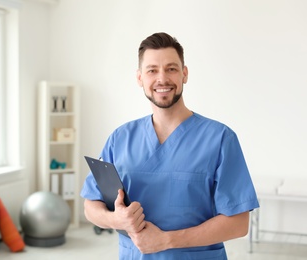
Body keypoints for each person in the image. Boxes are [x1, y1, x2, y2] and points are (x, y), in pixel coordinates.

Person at [80, 32, 259, 259]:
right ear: (139, 78)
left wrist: (166, 240)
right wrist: (116, 219)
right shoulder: (120, 138)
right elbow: (90, 205)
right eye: (152, 70)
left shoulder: (220, 139)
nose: (162, 79)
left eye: (171, 69)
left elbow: (239, 223)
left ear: (184, 74)